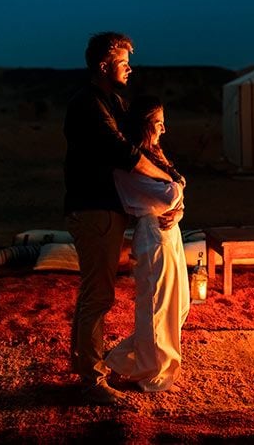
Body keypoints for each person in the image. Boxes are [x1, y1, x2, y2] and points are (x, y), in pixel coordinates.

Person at [63, 32, 173, 405]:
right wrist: (169, 181)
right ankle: (92, 380)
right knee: (98, 295)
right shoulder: (89, 104)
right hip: (92, 209)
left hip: (104, 209)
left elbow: (139, 145)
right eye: (124, 63)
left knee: (94, 293)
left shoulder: (112, 101)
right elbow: (124, 154)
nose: (130, 68)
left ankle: (83, 366)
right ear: (103, 66)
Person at [105, 95, 190, 392]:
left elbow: (174, 193)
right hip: (153, 234)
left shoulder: (154, 157)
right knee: (157, 308)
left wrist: (176, 195)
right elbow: (169, 195)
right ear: (143, 126)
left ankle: (119, 360)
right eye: (158, 124)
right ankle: (151, 375)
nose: (163, 130)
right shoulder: (128, 165)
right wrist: (176, 189)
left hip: (170, 232)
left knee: (179, 306)